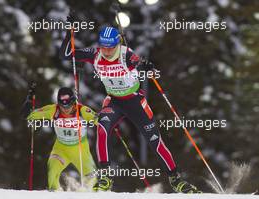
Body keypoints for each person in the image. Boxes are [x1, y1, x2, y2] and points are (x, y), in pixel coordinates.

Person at [59, 16, 201, 193]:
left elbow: (140, 64)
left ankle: (176, 179)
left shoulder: (126, 54)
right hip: (114, 101)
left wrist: (148, 68)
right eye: (103, 46)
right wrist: (69, 32)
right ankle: (105, 177)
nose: (107, 51)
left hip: (134, 101)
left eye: (110, 47)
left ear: (117, 44)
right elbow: (65, 55)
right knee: (102, 128)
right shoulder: (94, 55)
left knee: (154, 140)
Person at [22, 87, 97, 191]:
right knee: (52, 171)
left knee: (92, 180)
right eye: (62, 106)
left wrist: (104, 119)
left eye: (69, 106)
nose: (65, 109)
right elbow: (29, 116)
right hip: (61, 149)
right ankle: (55, 193)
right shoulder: (53, 110)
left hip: (80, 150)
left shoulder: (82, 110)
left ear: (73, 102)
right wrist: (28, 106)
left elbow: (99, 121)